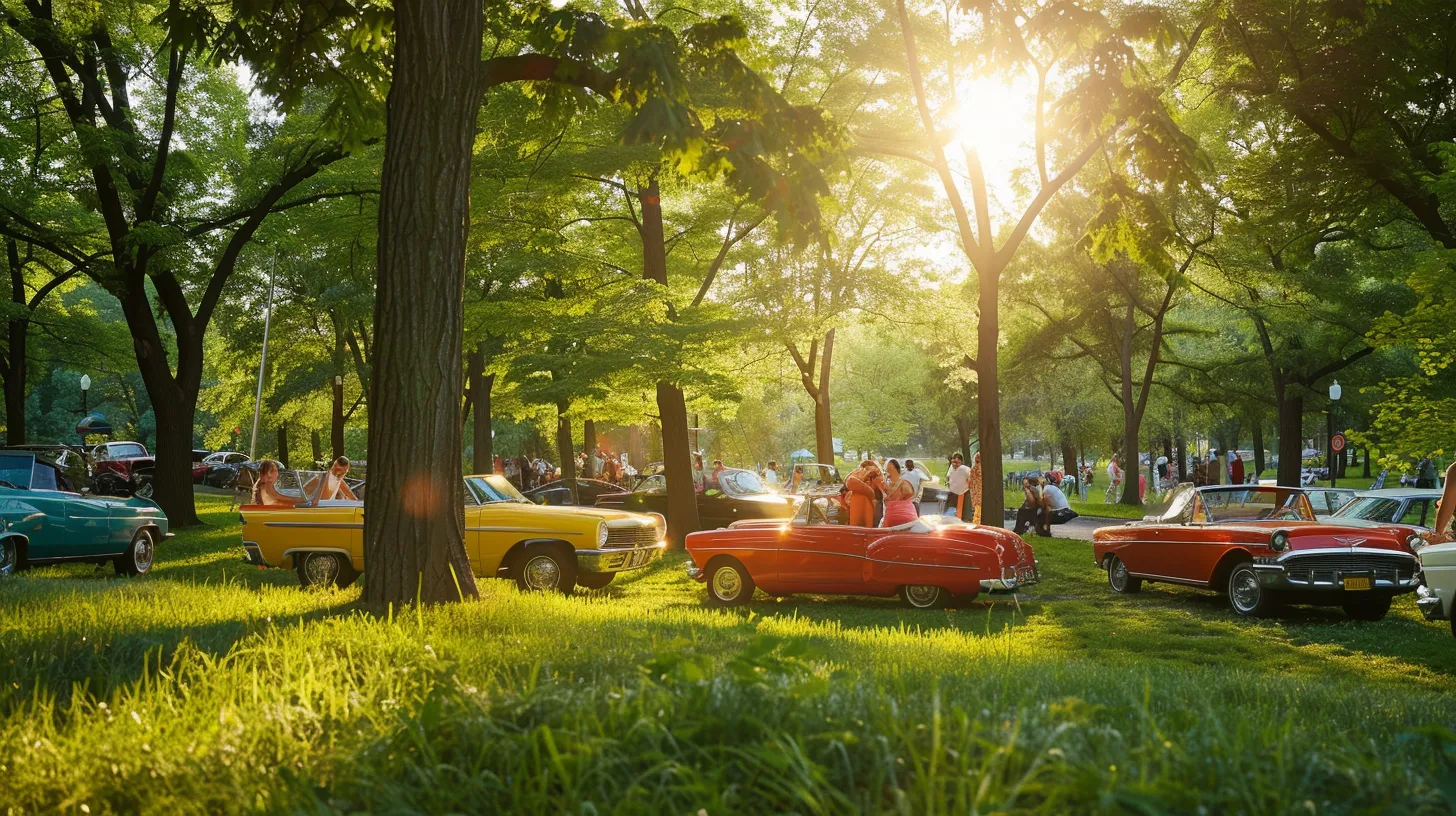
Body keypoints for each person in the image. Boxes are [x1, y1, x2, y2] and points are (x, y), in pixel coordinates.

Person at [879, 459, 918, 527]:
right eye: (888, 468)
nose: (888, 470)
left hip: (899, 515)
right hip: (906, 516)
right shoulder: (885, 484)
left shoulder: (903, 483)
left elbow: (909, 493)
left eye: (890, 467)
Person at [845, 460, 881, 527]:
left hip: (869, 512)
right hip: (864, 511)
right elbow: (850, 481)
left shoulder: (876, 478)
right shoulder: (856, 478)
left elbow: (849, 481)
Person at [946, 452, 972, 519]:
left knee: (963, 512)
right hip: (952, 493)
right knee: (951, 511)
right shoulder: (951, 467)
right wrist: (948, 484)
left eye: (956, 462)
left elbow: (971, 478)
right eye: (953, 462)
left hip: (963, 493)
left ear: (961, 462)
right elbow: (948, 477)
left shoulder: (964, 468)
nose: (954, 464)